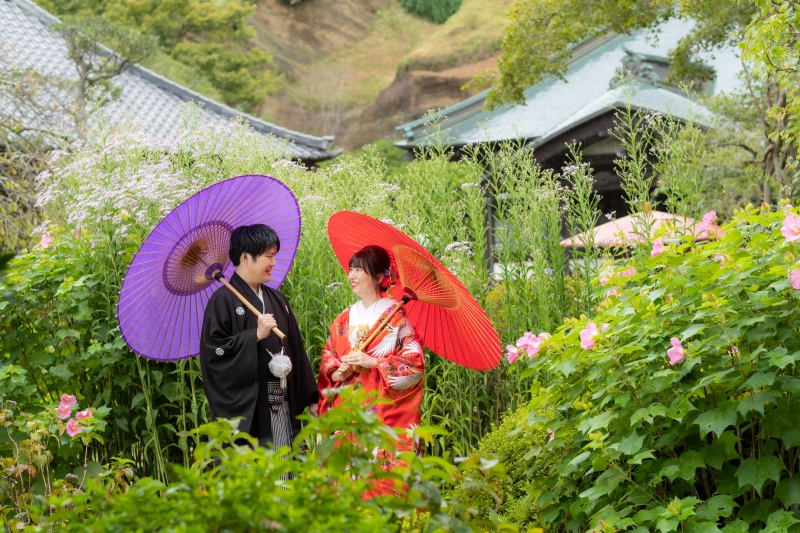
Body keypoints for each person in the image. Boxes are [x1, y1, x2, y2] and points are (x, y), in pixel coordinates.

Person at [200, 224, 318, 450]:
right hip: (249, 404)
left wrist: (311, 396)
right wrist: (253, 336)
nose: (273, 263)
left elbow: (296, 348)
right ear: (246, 257)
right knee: (254, 470)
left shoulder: (277, 299)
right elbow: (213, 352)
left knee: (283, 463)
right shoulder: (222, 301)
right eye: (268, 256)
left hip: (279, 393)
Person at [317, 245, 425, 492]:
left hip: (381, 410)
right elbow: (328, 357)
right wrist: (337, 372)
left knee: (380, 481)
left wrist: (375, 362)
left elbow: (414, 363)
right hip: (348, 408)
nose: (351, 275)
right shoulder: (345, 317)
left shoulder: (396, 317)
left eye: (359, 270)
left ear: (378, 277)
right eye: (351, 269)